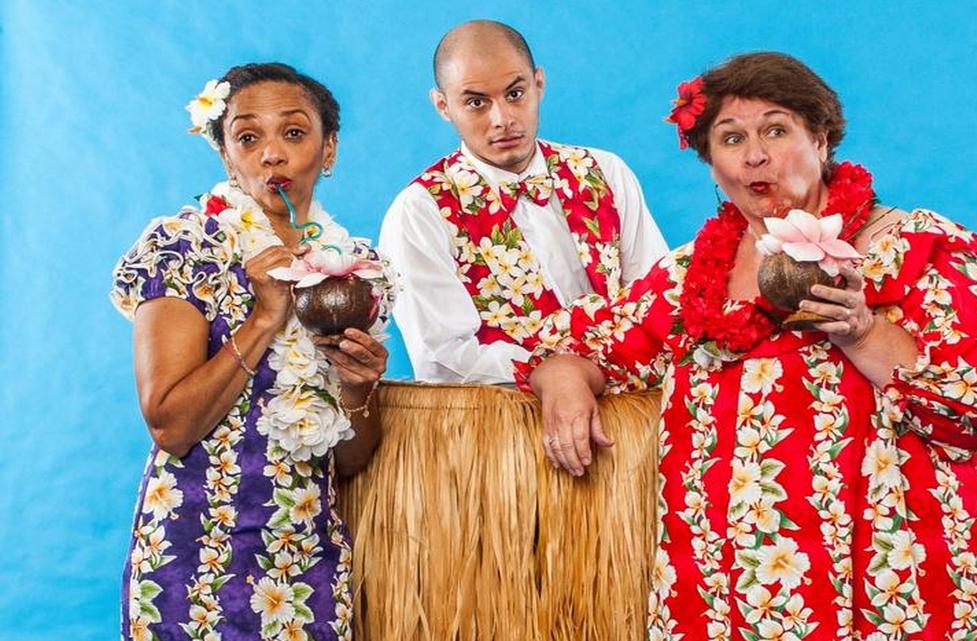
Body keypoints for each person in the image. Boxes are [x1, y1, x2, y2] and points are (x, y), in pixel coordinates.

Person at [521, 52, 977, 640]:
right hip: (731, 595)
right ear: (711, 161)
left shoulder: (915, 246)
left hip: (901, 579)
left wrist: (864, 331)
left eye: (775, 129)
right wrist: (563, 377)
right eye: (730, 138)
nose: (754, 155)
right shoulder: (691, 276)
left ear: (821, 139)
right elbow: (583, 344)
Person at [110, 63, 394, 641]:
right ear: (225, 156)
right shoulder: (184, 247)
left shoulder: (351, 270)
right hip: (194, 548)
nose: (272, 154)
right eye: (248, 136)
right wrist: (266, 317)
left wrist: (360, 388)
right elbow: (170, 423)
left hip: (304, 553)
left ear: (329, 148)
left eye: (294, 133)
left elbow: (352, 460)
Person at [378, 19, 668, 383]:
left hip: (627, 409)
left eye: (515, 94)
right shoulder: (420, 212)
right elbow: (443, 358)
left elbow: (658, 299)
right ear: (443, 105)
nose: (502, 119)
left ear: (539, 83)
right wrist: (561, 376)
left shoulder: (606, 171)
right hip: (502, 425)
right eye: (476, 103)